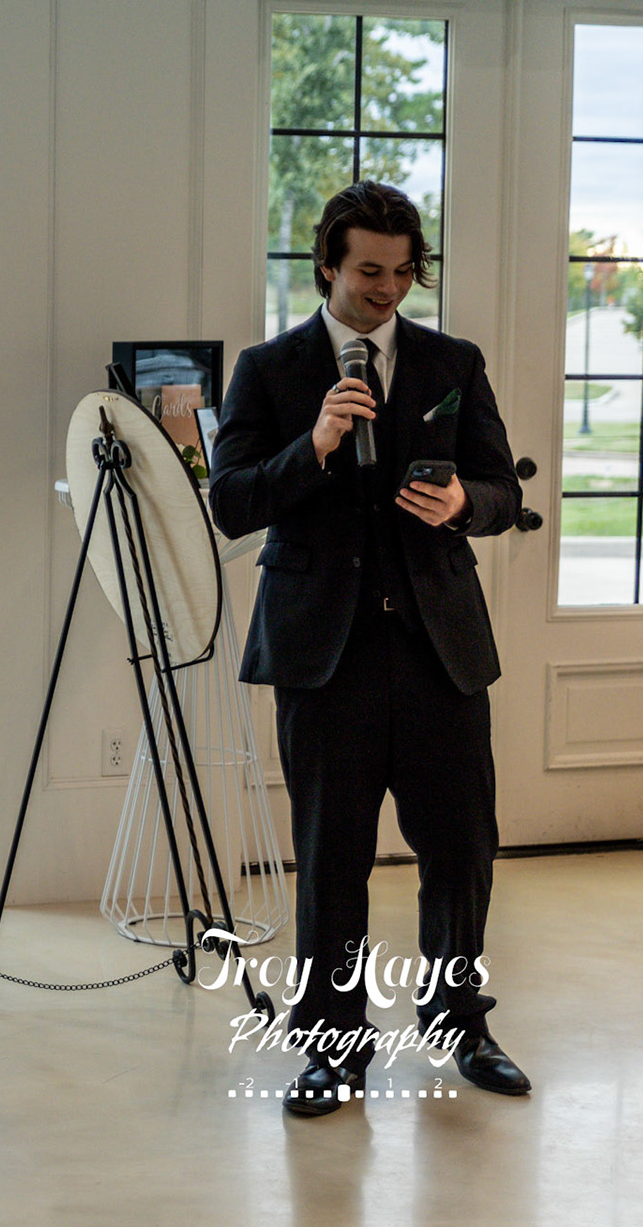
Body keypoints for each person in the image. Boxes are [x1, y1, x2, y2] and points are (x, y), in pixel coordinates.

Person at [208, 182, 528, 1117]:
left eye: (403, 271)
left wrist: (465, 504)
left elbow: (502, 490)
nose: (388, 288)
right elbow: (232, 502)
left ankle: (459, 1021)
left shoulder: (452, 362)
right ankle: (332, 1045)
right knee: (331, 857)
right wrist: (313, 444)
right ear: (328, 266)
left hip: (440, 651)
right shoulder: (270, 370)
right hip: (324, 657)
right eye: (369, 271)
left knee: (462, 850)